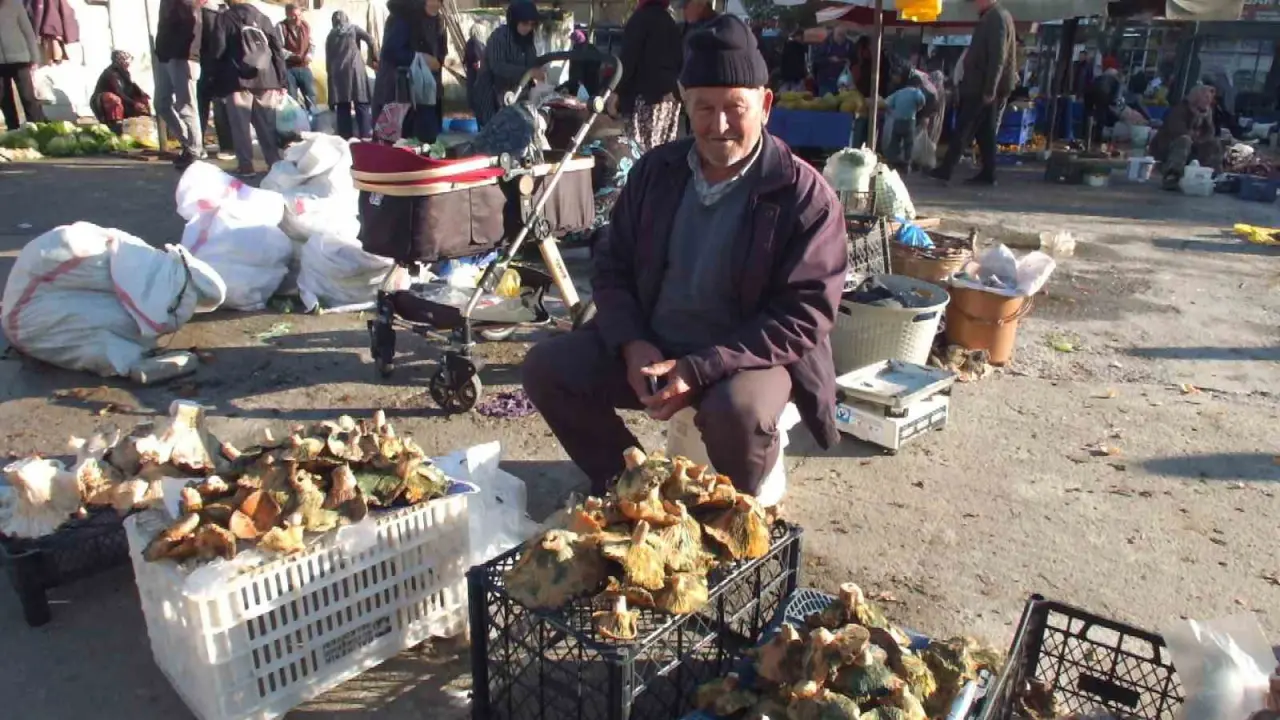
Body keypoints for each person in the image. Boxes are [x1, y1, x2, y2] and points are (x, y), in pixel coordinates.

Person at [522, 14, 848, 498]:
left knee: (737, 413)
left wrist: (699, 369)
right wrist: (633, 344)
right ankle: (629, 487)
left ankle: (734, 512)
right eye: (703, 107)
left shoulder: (804, 196)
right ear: (683, 105)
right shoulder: (657, 172)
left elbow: (803, 316)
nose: (718, 126)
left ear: (765, 104)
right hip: (656, 344)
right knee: (547, 368)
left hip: (746, 358)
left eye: (735, 107)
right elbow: (612, 265)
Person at [928, 0, 1015, 186]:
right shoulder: (993, 16)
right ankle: (989, 173)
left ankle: (946, 169)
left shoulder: (996, 18)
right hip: (982, 86)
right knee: (985, 132)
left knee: (964, 127)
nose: (975, 3)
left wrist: (990, 88)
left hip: (981, 87)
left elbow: (997, 57)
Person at [207, 0, 288, 176]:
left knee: (240, 126)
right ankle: (273, 162)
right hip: (267, 78)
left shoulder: (224, 18)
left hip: (237, 79)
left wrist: (214, 79)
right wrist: (282, 80)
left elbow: (218, 51)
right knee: (267, 124)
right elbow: (277, 50)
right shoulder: (264, 18)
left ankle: (246, 166)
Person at [609, 0, 683, 152]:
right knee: (663, 153)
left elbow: (628, 60)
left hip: (644, 99)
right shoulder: (671, 22)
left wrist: (615, 91)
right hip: (668, 100)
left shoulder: (639, 19)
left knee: (639, 153)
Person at [470, 1, 541, 127]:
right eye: (525, 23)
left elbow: (531, 63)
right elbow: (497, 66)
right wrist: (527, 72)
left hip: (514, 95)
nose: (528, 27)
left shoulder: (528, 40)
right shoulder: (499, 37)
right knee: (493, 134)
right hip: (490, 95)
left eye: (532, 24)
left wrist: (534, 75)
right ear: (514, 21)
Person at [155, 0, 204, 169]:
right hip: (166, 56)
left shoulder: (188, 4)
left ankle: (195, 150)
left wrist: (184, 54)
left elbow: (192, 29)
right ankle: (189, 144)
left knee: (186, 106)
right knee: (161, 104)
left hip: (183, 57)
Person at [1151, 84, 1222, 189]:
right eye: (1205, 97)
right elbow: (1178, 130)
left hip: (1194, 145)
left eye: (1210, 97)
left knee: (1214, 143)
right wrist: (1194, 136)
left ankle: (1215, 176)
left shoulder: (1207, 112)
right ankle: (1172, 175)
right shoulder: (1181, 109)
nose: (1209, 100)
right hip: (1169, 146)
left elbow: (1210, 132)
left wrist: (1200, 139)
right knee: (1184, 140)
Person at [325, 10, 374, 140]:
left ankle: (346, 142)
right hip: (356, 71)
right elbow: (371, 39)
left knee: (342, 108)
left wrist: (330, 96)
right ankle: (365, 139)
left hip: (338, 76)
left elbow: (328, 64)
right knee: (361, 105)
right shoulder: (353, 29)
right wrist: (374, 57)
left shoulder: (330, 37)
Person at [0, 0, 47, 130]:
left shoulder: (14, 5)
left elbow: (28, 32)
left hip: (20, 58)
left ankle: (39, 127)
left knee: (27, 96)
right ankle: (13, 129)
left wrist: (34, 57)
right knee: (4, 99)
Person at [198, 1, 234, 160]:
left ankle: (199, 145)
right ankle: (227, 146)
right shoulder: (225, 12)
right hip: (220, 66)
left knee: (202, 106)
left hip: (206, 64)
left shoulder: (204, 13)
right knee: (220, 107)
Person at [89, 50, 151, 127]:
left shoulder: (125, 73)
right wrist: (134, 104)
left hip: (122, 101)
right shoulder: (111, 73)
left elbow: (129, 88)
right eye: (125, 60)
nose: (128, 63)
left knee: (142, 99)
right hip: (103, 104)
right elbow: (118, 92)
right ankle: (115, 126)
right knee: (113, 99)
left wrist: (141, 95)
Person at [279, 3, 316, 113]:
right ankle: (295, 125)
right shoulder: (281, 27)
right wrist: (292, 56)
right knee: (291, 98)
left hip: (304, 66)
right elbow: (278, 48)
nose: (297, 18)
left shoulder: (306, 26)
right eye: (294, 16)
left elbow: (312, 44)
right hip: (289, 68)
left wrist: (309, 55)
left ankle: (313, 122)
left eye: (299, 15)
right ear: (287, 15)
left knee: (311, 96)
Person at [884, 74, 924, 171]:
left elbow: (887, 102)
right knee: (908, 143)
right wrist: (918, 108)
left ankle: (892, 162)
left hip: (897, 120)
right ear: (918, 85)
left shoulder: (899, 92)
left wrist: (892, 112)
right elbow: (921, 100)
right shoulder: (916, 92)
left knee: (894, 141)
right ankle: (907, 165)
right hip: (910, 121)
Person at [814, 27, 853, 98]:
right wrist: (829, 59)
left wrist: (848, 61)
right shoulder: (826, 44)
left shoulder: (849, 45)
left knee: (842, 104)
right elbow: (816, 60)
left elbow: (854, 59)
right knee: (825, 104)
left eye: (843, 35)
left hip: (842, 81)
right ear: (834, 33)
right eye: (839, 34)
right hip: (825, 81)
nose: (841, 37)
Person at [464, 24, 486, 120]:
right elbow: (476, 61)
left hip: (474, 75)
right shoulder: (474, 43)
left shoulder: (472, 43)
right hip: (476, 76)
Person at [777, 29, 809, 93]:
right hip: (796, 76)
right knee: (796, 95)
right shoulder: (797, 47)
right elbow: (797, 63)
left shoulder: (789, 46)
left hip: (788, 76)